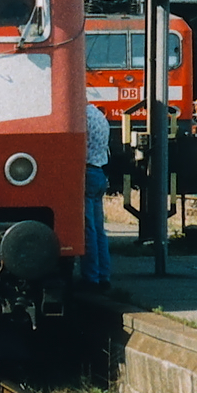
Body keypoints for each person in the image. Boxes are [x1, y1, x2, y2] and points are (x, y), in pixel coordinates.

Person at [81, 103, 111, 291]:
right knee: (99, 230)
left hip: (87, 172)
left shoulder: (81, 116)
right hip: (100, 172)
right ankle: (104, 275)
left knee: (88, 229)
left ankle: (91, 278)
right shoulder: (99, 115)